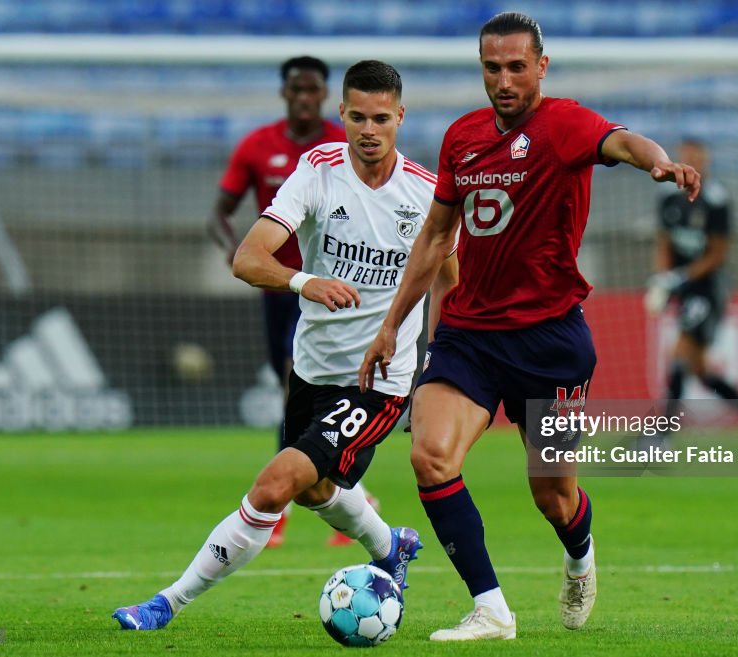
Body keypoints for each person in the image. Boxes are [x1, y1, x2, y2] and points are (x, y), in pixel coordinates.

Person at [359, 12, 700, 641]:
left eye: (517, 67)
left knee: (552, 497)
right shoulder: (461, 137)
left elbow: (623, 142)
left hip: (549, 341)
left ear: (541, 66)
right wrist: (391, 325)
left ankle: (580, 555)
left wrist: (658, 162)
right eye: (493, 68)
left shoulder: (564, 124)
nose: (505, 80)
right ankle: (491, 607)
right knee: (431, 457)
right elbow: (437, 236)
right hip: (468, 333)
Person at [114, 59, 458, 631]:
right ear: (341, 115)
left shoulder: (425, 192)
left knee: (274, 485)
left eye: (380, 118)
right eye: (356, 117)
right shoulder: (318, 171)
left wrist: (436, 365)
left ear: (400, 117)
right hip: (312, 368)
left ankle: (166, 603)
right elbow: (249, 259)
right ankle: (390, 547)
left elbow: (451, 282)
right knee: (317, 489)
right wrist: (306, 280)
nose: (367, 130)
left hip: (377, 382)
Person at [205, 56, 352, 548]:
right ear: (285, 94)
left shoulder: (344, 143)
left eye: (313, 89)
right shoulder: (258, 146)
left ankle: (277, 507)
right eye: (297, 89)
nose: (305, 98)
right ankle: (352, 496)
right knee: (294, 393)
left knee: (298, 391)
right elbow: (219, 214)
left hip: (330, 289)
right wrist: (238, 250)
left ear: (324, 94)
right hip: (277, 290)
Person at [644, 138, 738, 436]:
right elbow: (664, 242)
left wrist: (679, 278)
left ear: (706, 160)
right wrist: (662, 279)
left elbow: (717, 255)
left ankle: (660, 437)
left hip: (708, 289)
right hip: (683, 287)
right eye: (686, 155)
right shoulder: (668, 197)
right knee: (701, 372)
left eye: (697, 156)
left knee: (679, 357)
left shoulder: (717, 200)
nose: (691, 160)